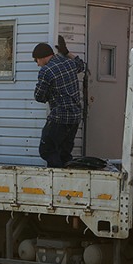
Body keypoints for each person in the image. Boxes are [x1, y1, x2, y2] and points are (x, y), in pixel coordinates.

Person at [33, 36, 86, 167]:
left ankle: (56, 176)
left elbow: (39, 96)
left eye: (36, 60)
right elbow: (81, 64)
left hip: (59, 117)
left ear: (43, 57)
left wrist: (49, 95)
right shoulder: (69, 63)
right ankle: (65, 180)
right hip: (74, 117)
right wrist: (66, 52)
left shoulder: (46, 71)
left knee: (47, 150)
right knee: (64, 153)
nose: (37, 63)